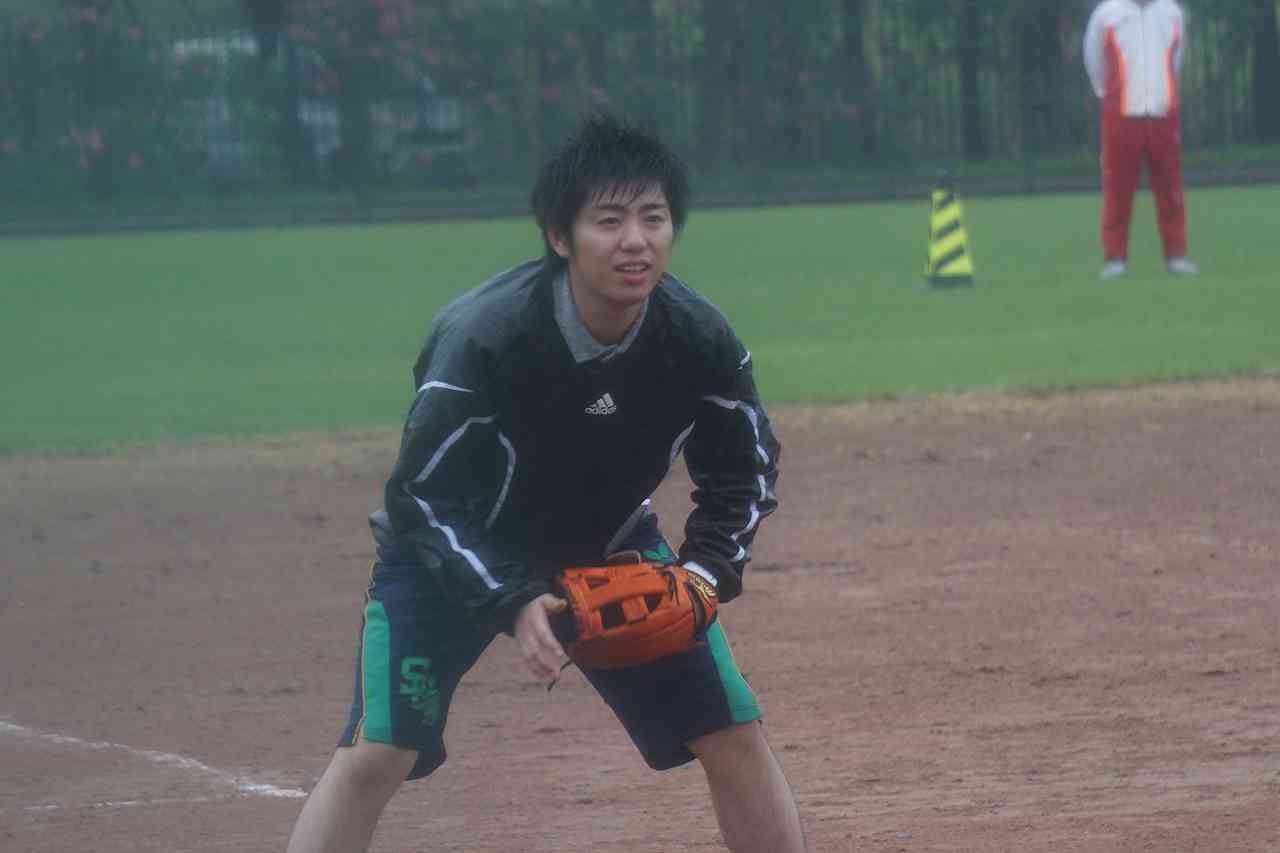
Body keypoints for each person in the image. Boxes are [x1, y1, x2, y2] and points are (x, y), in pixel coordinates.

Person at [284, 113, 810, 853]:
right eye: (610, 221)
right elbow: (422, 496)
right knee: (378, 753)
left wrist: (704, 572)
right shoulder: (486, 338)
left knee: (732, 733)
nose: (636, 240)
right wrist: (507, 596)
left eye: (654, 217)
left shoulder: (698, 338)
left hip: (608, 547)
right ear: (560, 236)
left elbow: (746, 466)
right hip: (453, 557)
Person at [1083, 0, 1199, 280]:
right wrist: (1108, 93)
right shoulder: (1106, 14)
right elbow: (1093, 59)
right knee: (1117, 190)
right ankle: (1115, 258)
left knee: (1170, 188)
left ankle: (1176, 255)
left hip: (1163, 113)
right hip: (1121, 114)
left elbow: (1176, 59)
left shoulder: (1172, 13)